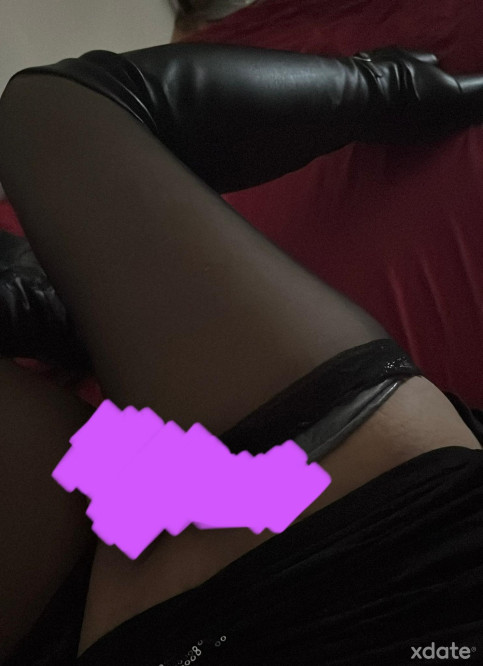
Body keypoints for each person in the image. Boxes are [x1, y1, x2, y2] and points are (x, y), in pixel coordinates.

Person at [0, 42, 482, 666]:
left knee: (55, 110)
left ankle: (400, 88)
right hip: (312, 556)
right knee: (49, 115)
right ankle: (59, 309)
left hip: (358, 541)